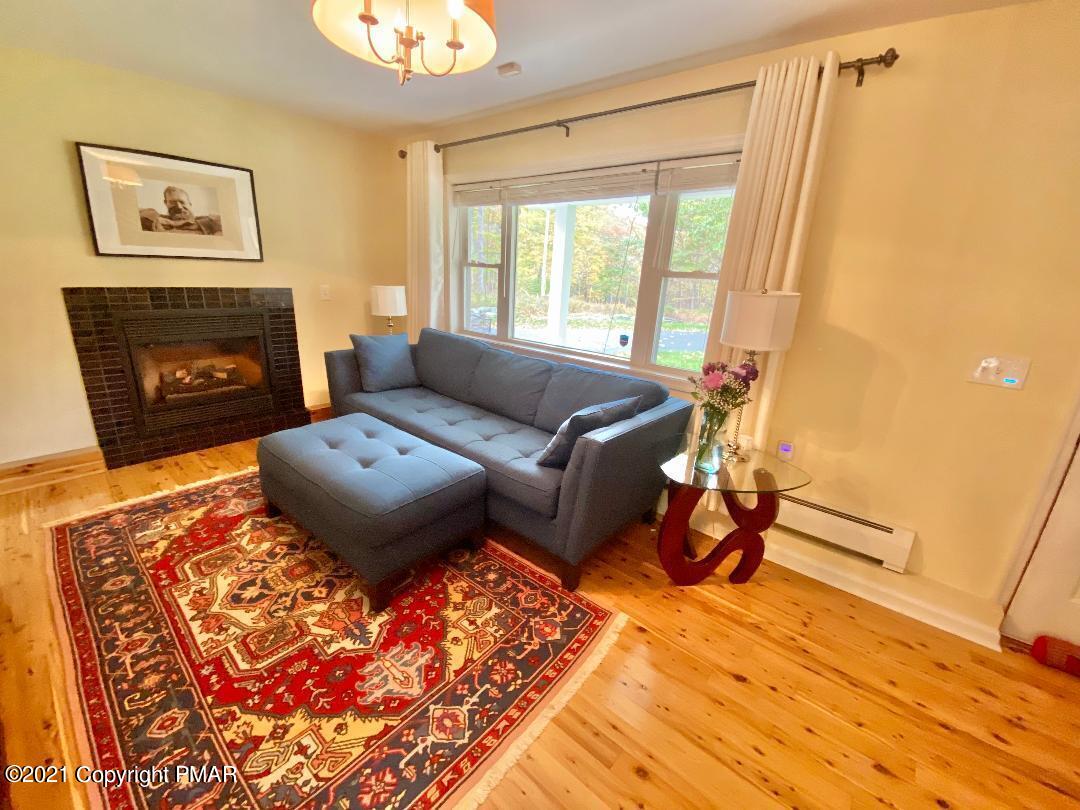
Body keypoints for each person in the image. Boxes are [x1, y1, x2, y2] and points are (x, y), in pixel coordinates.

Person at [140, 186, 222, 235]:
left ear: (189, 204)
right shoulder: (159, 219)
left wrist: (175, 224)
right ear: (166, 203)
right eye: (172, 202)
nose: (179, 207)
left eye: (182, 202)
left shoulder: (207, 221)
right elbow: (142, 213)